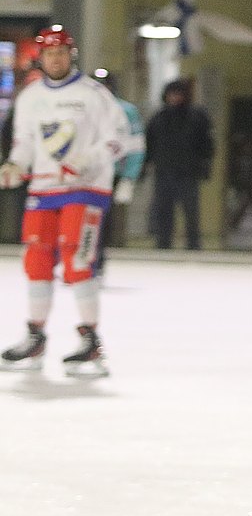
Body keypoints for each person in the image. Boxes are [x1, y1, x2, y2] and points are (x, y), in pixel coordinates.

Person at [0, 25, 129, 376]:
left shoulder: (94, 94)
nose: (54, 59)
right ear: (40, 57)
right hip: (43, 190)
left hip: (85, 189)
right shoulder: (30, 96)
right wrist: (15, 165)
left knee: (77, 258)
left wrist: (88, 161)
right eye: (48, 53)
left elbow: (120, 139)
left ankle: (90, 340)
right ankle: (36, 335)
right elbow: (24, 142)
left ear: (70, 55)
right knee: (37, 259)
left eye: (60, 53)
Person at [144, 78, 215, 250]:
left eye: (178, 94)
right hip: (164, 172)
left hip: (188, 173)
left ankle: (193, 244)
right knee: (163, 211)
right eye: (172, 94)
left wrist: (205, 165)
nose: (175, 98)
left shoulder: (197, 117)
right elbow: (149, 143)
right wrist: (145, 165)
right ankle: (163, 244)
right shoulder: (159, 118)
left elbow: (207, 144)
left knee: (191, 212)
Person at [92, 69, 144, 278]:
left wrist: (129, 177)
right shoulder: (82, 109)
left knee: (102, 221)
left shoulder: (126, 111)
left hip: (111, 173)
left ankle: (97, 263)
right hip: (84, 173)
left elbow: (136, 145)